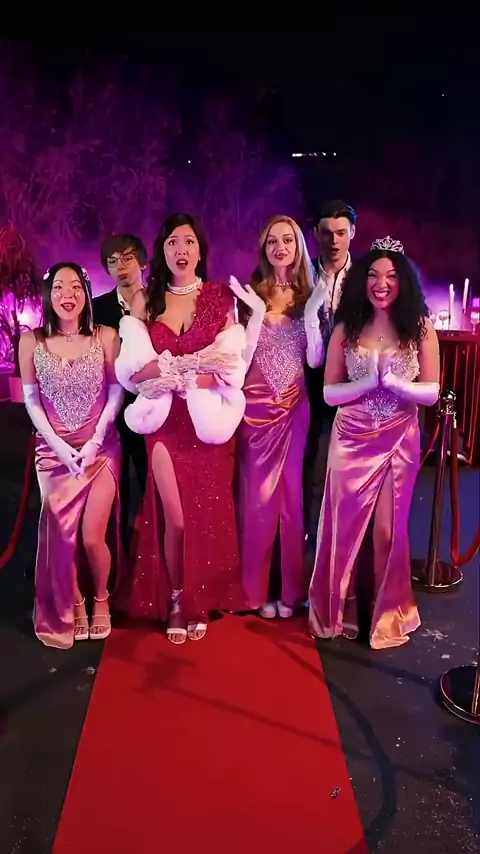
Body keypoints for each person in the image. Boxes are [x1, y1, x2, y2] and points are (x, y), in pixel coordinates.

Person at [114, 213, 247, 644]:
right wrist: (174, 370)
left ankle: (197, 600)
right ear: (163, 250)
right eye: (172, 242)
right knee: (175, 517)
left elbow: (230, 370)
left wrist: (189, 375)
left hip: (207, 423)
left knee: (205, 515)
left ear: (200, 249)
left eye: (188, 241)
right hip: (163, 423)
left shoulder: (220, 297)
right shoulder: (146, 300)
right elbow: (133, 373)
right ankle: (175, 597)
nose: (181, 249)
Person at [309, 237, 440, 649]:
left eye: (391, 276)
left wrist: (397, 384)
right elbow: (329, 393)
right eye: (373, 275)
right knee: (345, 527)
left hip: (400, 437)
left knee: (387, 531)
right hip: (351, 437)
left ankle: (387, 612)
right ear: (361, 281)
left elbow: (432, 391)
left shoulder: (420, 327)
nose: (381, 283)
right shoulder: (346, 327)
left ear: (404, 282)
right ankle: (344, 607)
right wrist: (366, 383)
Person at [18, 263, 123, 648]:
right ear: (49, 295)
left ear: (85, 293)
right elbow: (31, 401)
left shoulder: (105, 336)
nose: (68, 294)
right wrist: (60, 447)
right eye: (59, 287)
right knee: (62, 538)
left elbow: (116, 390)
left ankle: (101, 596)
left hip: (101, 450)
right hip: (53, 453)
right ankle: (74, 602)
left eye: (75, 286)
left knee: (92, 536)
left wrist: (94, 441)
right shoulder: (32, 340)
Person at [231, 215, 325, 620]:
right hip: (254, 410)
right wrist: (255, 314)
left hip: (294, 408)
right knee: (255, 501)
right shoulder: (252, 293)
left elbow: (315, 360)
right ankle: (254, 591)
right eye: (273, 241)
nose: (280, 247)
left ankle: (289, 592)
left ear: (299, 246)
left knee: (291, 499)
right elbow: (240, 360)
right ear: (264, 248)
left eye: (288, 240)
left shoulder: (311, 295)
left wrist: (313, 314)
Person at [304, 200, 358, 534]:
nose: (334, 240)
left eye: (340, 232)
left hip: (352, 381)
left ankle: (344, 532)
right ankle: (307, 530)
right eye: (327, 233)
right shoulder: (302, 272)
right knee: (309, 457)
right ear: (315, 234)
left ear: (353, 232)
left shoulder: (367, 276)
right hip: (307, 380)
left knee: (348, 460)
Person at [93, 234, 148, 546]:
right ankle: (118, 553)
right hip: (112, 412)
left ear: (143, 262)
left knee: (152, 483)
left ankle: (153, 552)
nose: (120, 267)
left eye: (127, 258)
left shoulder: (160, 302)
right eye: (112, 262)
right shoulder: (97, 309)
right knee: (115, 489)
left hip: (152, 409)